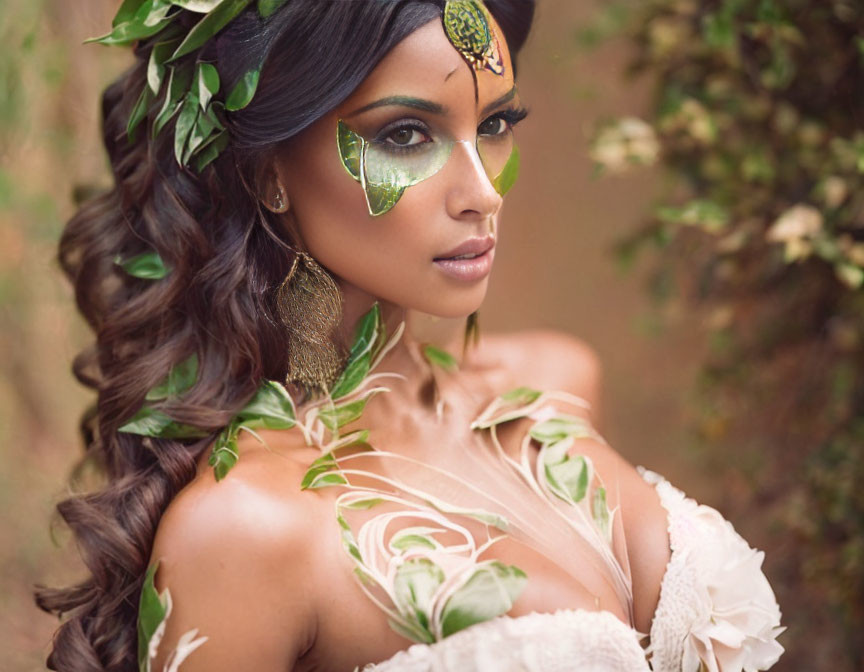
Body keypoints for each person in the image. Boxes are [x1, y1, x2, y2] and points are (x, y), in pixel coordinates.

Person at [35, 1, 785, 671]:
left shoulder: (556, 383)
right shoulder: (244, 531)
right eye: (405, 134)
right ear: (269, 173)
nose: (484, 192)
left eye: (494, 125)